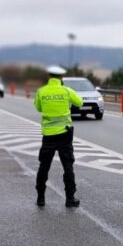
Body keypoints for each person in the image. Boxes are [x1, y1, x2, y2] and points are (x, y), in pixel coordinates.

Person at [34, 65, 83, 207]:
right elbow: (79, 102)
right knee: (68, 166)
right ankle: (70, 198)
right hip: (64, 135)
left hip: (48, 135)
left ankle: (41, 198)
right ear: (61, 77)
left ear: (49, 76)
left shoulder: (41, 92)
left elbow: (38, 108)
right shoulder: (66, 91)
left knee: (44, 166)